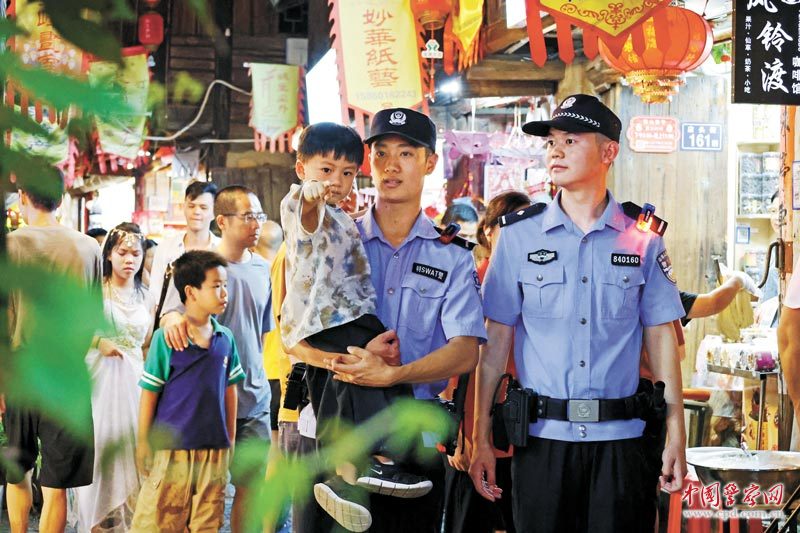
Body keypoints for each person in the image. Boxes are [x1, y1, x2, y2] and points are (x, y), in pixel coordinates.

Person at [469, 94, 687, 533]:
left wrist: (677, 431)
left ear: (609, 152)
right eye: (551, 141)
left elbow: (661, 336)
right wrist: (480, 436)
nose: (556, 151)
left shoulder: (642, 238)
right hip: (542, 444)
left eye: (571, 140)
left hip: (623, 443)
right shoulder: (519, 236)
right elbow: (494, 343)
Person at [288, 108, 487, 533]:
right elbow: (289, 335)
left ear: (430, 163)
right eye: (380, 153)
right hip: (326, 432)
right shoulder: (328, 236)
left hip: (410, 441)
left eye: (406, 153)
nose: (391, 165)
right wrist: (349, 364)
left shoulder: (451, 256)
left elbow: (465, 352)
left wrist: (391, 374)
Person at [281, 123, 433, 532]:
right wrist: (311, 194)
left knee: (377, 378)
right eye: (326, 169)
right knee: (359, 377)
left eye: (347, 173)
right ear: (301, 168)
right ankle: (362, 465)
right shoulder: (302, 206)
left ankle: (354, 471)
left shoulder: (342, 216)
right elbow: (303, 213)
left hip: (348, 315)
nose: (337, 181)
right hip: (326, 318)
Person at [160, 185, 272, 533]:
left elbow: (261, 333)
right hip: (205, 401)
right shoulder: (197, 267)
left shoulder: (264, 268)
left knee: (250, 488)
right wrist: (173, 319)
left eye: (259, 216)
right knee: (198, 494)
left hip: (253, 399)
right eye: (248, 216)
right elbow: (169, 315)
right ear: (222, 221)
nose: (256, 224)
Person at [4, 173, 100, 533]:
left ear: (23, 195)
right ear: (61, 198)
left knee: (17, 470)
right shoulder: (88, 248)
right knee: (57, 481)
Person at [131, 250, 244, 531]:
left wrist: (230, 438)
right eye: (216, 286)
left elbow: (230, 390)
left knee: (208, 521)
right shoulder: (165, 339)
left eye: (225, 285)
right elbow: (149, 393)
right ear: (191, 292)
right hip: (171, 451)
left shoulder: (225, 339)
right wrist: (143, 442)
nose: (224, 293)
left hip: (213, 450)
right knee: (159, 520)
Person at [442, 191, 530, 533]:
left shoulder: (536, 284)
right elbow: (457, 365)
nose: (520, 234)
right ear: (488, 231)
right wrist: (459, 436)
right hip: (474, 430)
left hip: (523, 431)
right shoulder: (472, 281)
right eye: (510, 224)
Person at [75, 223, 152, 532]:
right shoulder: (95, 291)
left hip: (135, 383)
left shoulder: (147, 295)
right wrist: (98, 342)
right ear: (108, 254)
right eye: (122, 252)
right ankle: (96, 522)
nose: (129, 259)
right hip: (100, 383)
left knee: (133, 455)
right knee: (101, 453)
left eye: (136, 253)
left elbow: (147, 343)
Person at [149, 180, 219, 326]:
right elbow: (154, 296)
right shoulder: (166, 248)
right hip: (169, 328)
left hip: (212, 330)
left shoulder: (221, 250)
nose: (196, 212)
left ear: (214, 212)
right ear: (184, 207)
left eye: (203, 207)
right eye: (191, 206)